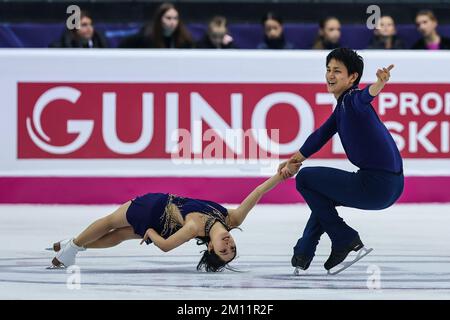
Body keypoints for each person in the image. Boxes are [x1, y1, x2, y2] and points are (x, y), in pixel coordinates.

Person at [278, 47, 404, 273]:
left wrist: (379, 84)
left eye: (337, 71)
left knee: (306, 178)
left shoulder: (353, 100)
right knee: (322, 196)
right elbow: (320, 135)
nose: (330, 75)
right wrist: (293, 160)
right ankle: (305, 251)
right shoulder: (342, 107)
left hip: (377, 185)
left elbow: (365, 97)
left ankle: (344, 237)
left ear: (352, 77)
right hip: (389, 185)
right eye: (328, 69)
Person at [48, 168, 300, 272]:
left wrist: (150, 231)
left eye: (223, 250)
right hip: (162, 223)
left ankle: (72, 247)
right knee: (121, 234)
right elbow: (257, 192)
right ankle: (72, 245)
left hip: (154, 208)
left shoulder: (195, 227)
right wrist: (283, 175)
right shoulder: (231, 218)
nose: (228, 244)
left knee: (111, 222)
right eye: (232, 247)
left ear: (211, 247)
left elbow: (166, 246)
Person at [119, 2, 193, 49]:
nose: (172, 22)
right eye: (168, 18)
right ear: (159, 19)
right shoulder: (145, 38)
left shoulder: (185, 41)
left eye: (175, 18)